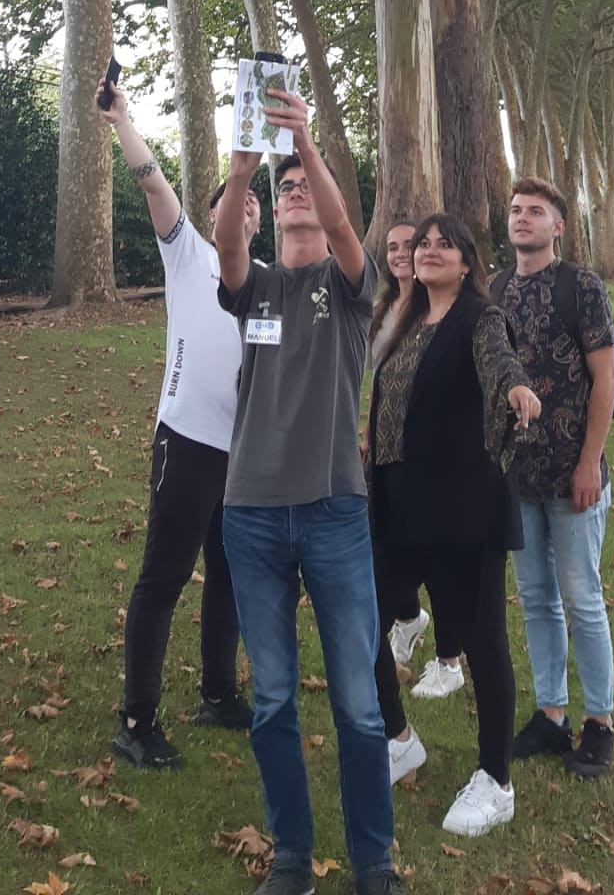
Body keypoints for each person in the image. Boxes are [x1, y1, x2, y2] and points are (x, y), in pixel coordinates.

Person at [215, 90, 402, 895]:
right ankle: (291, 859)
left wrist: (304, 142)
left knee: (360, 706)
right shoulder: (253, 288)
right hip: (250, 514)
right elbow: (225, 243)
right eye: (282, 188)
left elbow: (348, 229)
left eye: (301, 187)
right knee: (274, 701)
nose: (291, 191)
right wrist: (240, 172)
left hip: (334, 512)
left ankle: (373, 865)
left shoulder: (350, 286)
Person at [99, 73, 261, 770]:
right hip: (187, 443)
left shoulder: (269, 283)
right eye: (235, 199)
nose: (247, 207)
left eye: (255, 203)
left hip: (244, 455)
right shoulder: (189, 251)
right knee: (164, 580)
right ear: (214, 214)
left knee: (228, 575)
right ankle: (136, 720)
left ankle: (219, 694)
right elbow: (153, 182)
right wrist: (122, 121)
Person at [367, 215, 541, 838]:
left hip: (463, 507)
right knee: (362, 619)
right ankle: (396, 738)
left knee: (485, 642)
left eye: (445, 244)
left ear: (468, 263)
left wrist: (517, 389)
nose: (430, 251)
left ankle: (496, 780)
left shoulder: (479, 319)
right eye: (423, 244)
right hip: (398, 505)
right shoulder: (406, 323)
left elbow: (500, 364)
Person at [493, 176, 614, 782]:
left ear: (558, 226)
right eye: (516, 211)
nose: (522, 219)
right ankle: (550, 713)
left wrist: (590, 462)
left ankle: (599, 723)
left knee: (582, 599)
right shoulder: (494, 290)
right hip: (518, 480)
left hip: (575, 477)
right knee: (537, 600)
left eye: (535, 212)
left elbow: (606, 381)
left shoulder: (582, 288)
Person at [368, 220, 464, 701]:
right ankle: (408, 620)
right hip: (385, 454)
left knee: (440, 561)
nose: (403, 253)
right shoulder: (385, 309)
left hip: (434, 463)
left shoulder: (440, 311)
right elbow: (379, 384)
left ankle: (449, 658)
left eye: (413, 245)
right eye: (394, 247)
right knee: (387, 549)